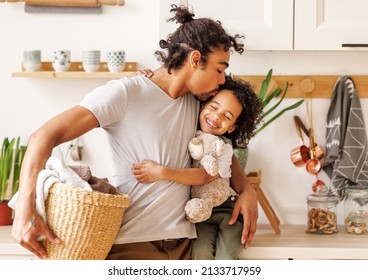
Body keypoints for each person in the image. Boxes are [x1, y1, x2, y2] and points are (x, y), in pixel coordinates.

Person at [11, 4, 258, 260]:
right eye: (220, 68)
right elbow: (43, 136)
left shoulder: (198, 104)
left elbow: (217, 151)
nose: (221, 80)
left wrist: (246, 190)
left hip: (187, 245)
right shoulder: (125, 93)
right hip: (132, 246)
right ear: (195, 59)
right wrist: (24, 208)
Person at [131, 75, 263, 259]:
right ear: (203, 105)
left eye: (227, 116)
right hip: (202, 215)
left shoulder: (223, 148)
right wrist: (143, 77)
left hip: (227, 210)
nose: (216, 116)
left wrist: (160, 172)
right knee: (200, 255)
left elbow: (205, 176)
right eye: (214, 107)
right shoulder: (188, 128)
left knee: (227, 257)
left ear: (232, 127)